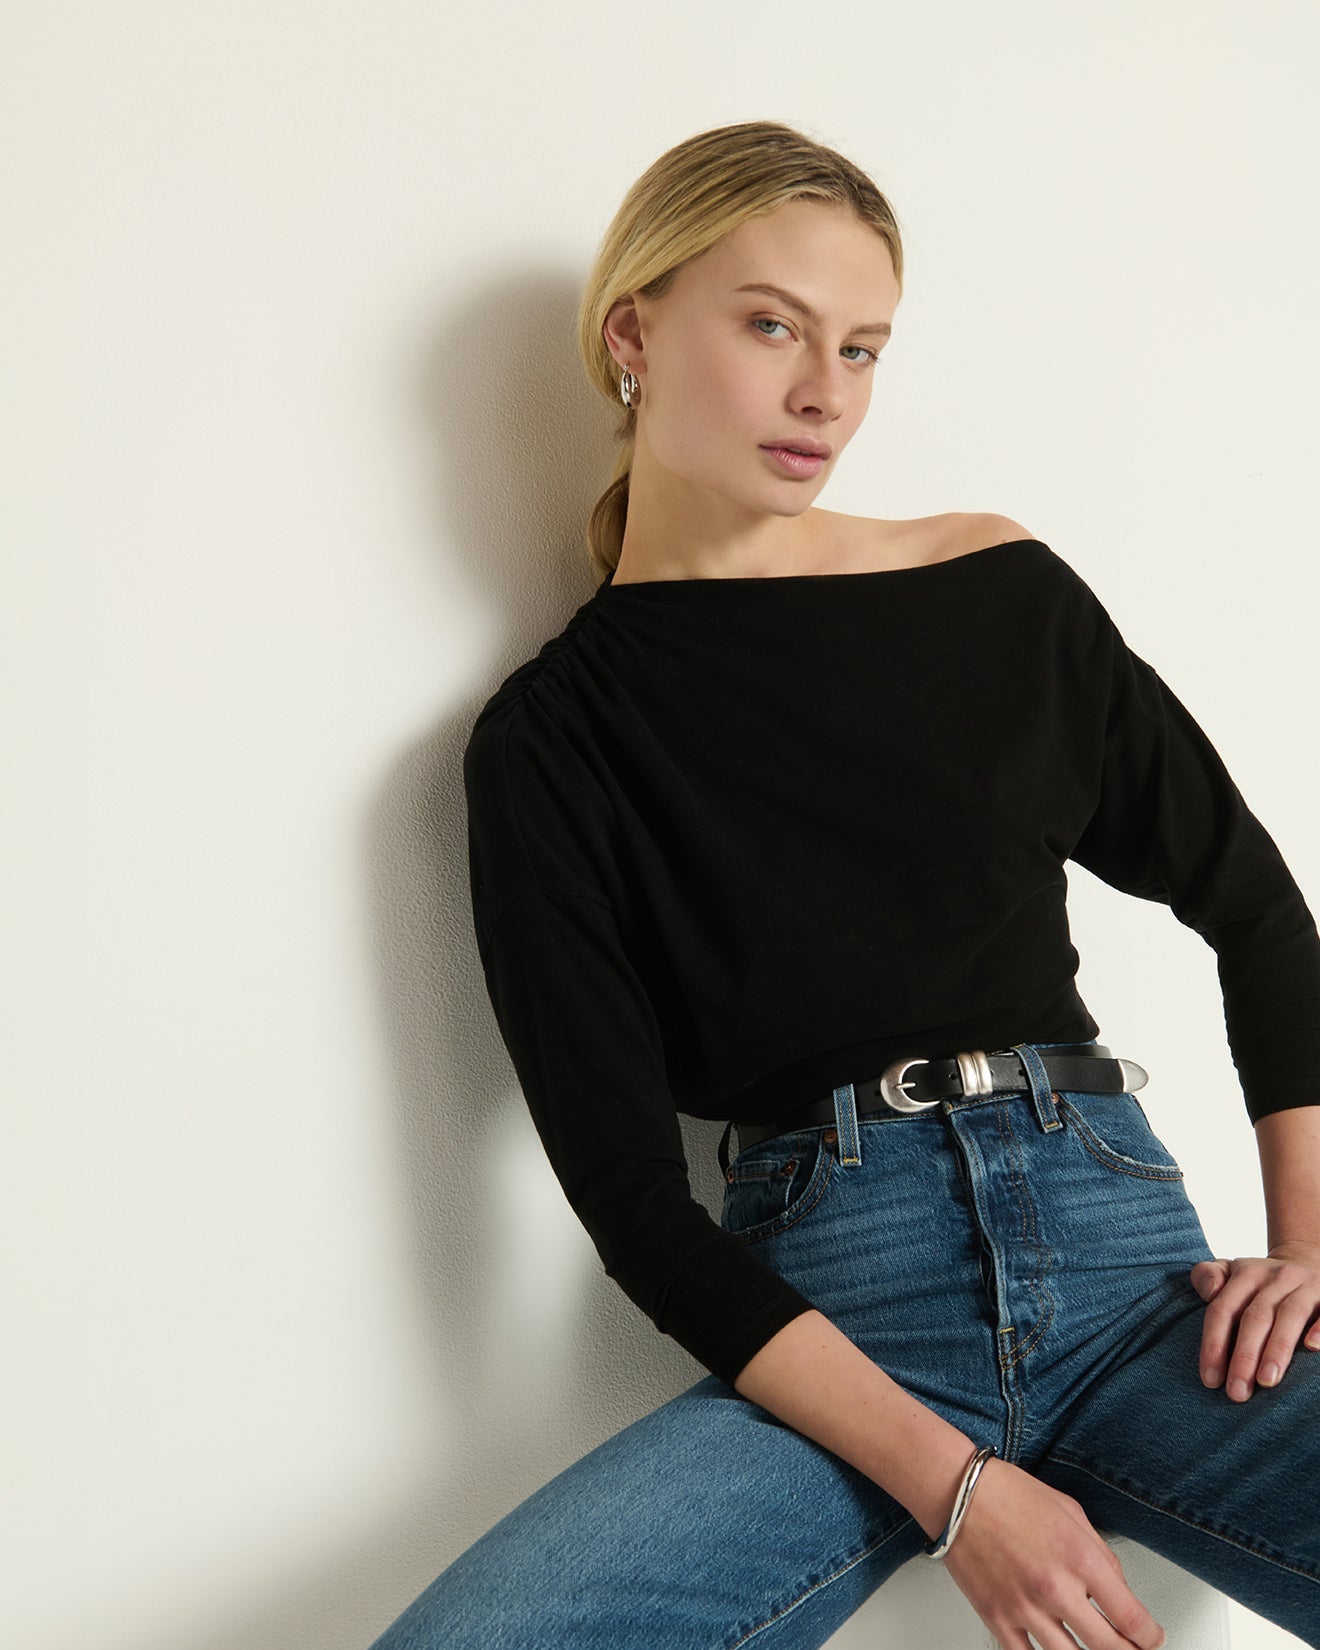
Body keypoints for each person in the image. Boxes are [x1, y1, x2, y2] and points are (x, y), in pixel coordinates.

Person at [367, 121, 1320, 1649]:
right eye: (771, 326)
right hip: (844, 1323)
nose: (828, 393)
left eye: (864, 347)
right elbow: (629, 1199)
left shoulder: (994, 589)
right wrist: (957, 1489)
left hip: (1138, 1281)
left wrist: (1311, 1249)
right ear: (633, 332)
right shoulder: (554, 743)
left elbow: (1259, 909)